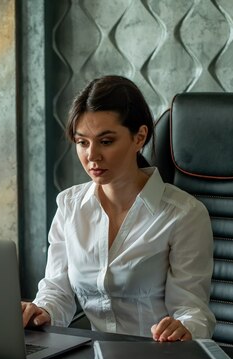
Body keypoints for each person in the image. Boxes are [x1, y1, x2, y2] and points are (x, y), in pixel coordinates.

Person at [22, 75, 215, 341]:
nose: (92, 156)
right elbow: (58, 291)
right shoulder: (69, 206)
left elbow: (193, 310)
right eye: (82, 142)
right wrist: (42, 310)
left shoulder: (184, 214)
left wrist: (184, 328)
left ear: (139, 137)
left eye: (106, 141)